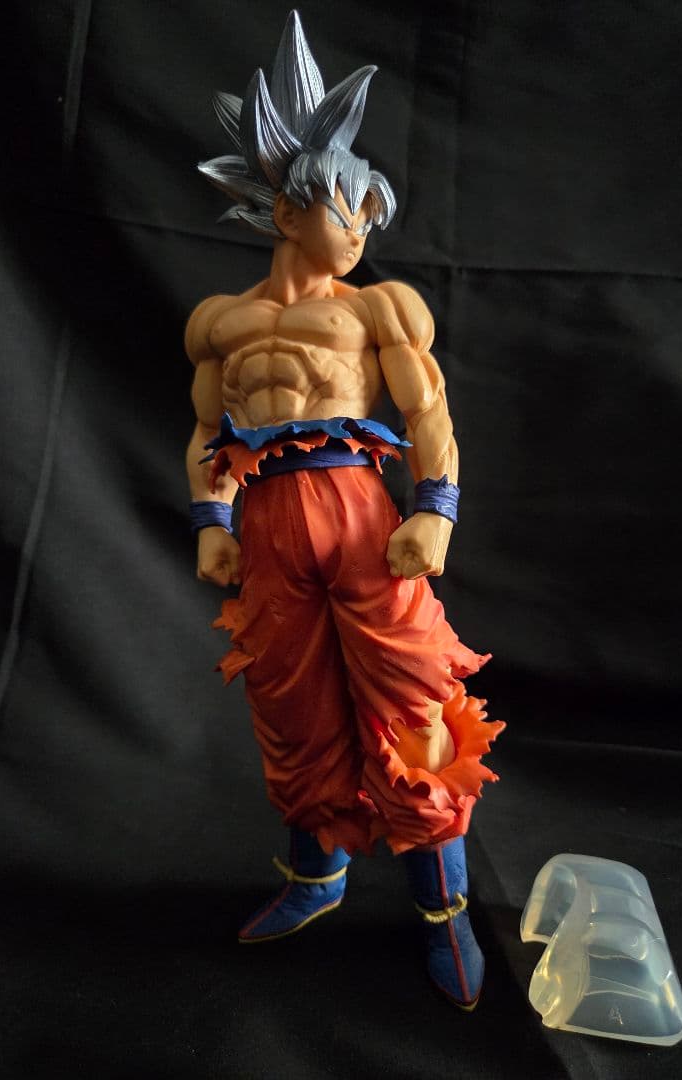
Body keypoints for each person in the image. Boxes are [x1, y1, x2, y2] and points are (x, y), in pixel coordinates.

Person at [185, 11, 503, 1010]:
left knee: (413, 705)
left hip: (362, 519)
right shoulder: (218, 322)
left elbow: (428, 413)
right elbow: (206, 435)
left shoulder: (379, 307)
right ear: (290, 211)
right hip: (269, 525)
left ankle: (444, 913)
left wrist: (435, 510)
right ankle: (315, 880)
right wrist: (213, 523)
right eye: (349, 206)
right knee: (293, 712)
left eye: (371, 212)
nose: (363, 228)